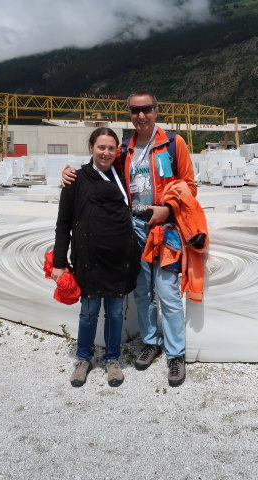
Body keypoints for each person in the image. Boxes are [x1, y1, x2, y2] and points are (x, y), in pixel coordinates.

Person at [62, 90, 197, 387]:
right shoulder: (126, 149)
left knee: (168, 293)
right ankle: (150, 342)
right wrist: (68, 173)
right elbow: (102, 166)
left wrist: (168, 208)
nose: (141, 115)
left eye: (146, 109)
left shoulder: (173, 144)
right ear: (130, 114)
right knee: (141, 292)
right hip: (134, 229)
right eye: (135, 111)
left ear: (156, 110)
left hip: (167, 230)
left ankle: (176, 355)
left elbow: (189, 186)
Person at [52, 127, 139, 388]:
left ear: (117, 151)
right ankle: (83, 358)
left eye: (111, 148)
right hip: (88, 259)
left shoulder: (122, 178)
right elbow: (63, 223)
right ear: (91, 147)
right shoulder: (75, 180)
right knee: (88, 312)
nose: (106, 152)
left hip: (118, 259)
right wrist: (59, 262)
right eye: (101, 147)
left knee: (114, 312)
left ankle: (112, 359)